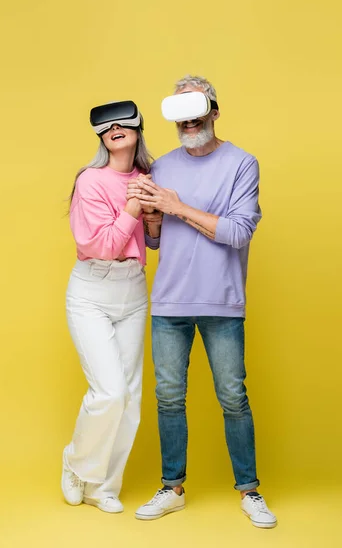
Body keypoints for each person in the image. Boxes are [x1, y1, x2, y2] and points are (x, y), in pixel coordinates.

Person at [127, 75, 277, 528]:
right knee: (168, 398)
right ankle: (172, 487)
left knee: (233, 397)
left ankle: (249, 491)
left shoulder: (241, 163)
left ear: (213, 110)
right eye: (180, 115)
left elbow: (237, 233)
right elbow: (155, 243)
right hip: (170, 301)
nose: (189, 122)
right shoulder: (163, 167)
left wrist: (176, 207)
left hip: (222, 300)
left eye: (196, 112)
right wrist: (153, 220)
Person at [62, 100, 156, 513]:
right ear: (101, 136)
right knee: (110, 392)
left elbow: (152, 243)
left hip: (133, 291)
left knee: (131, 397)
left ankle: (104, 487)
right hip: (92, 291)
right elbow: (101, 244)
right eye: (106, 124)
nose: (115, 127)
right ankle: (76, 464)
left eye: (123, 121)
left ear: (137, 128)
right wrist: (134, 207)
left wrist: (153, 216)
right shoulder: (91, 181)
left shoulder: (150, 177)